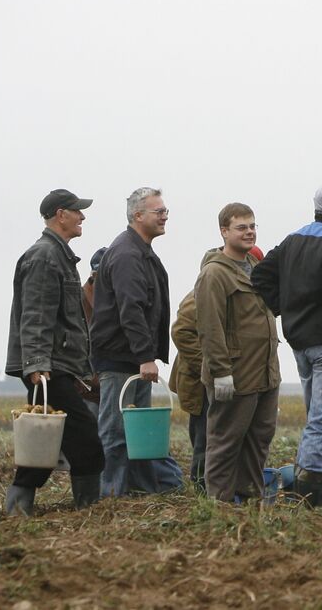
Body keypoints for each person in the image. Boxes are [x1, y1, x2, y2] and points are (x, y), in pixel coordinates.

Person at [252, 181, 322, 507]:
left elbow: (259, 278)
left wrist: (284, 308)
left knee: (316, 417)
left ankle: (303, 484)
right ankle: (308, 495)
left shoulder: (292, 239)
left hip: (299, 340)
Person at [3, 189, 105, 516]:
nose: (83, 217)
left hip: (57, 366)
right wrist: (36, 364)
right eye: (78, 211)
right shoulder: (45, 256)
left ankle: (18, 509)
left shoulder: (57, 255)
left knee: (50, 441)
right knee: (85, 440)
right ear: (61, 215)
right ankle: (90, 511)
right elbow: (36, 313)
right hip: (48, 368)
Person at [89, 187, 184, 497]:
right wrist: (145, 356)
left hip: (132, 357)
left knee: (136, 431)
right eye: (159, 211)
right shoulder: (128, 254)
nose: (165, 215)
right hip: (121, 358)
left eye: (165, 210)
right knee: (116, 430)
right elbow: (131, 310)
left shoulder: (140, 250)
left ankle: (140, 489)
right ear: (137, 215)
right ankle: (110, 494)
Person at [197, 203, 281, 503]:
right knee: (226, 441)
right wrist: (220, 372)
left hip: (265, 372)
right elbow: (210, 326)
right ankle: (218, 505)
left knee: (259, 439)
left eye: (252, 226)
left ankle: (250, 500)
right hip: (236, 374)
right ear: (224, 231)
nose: (249, 232)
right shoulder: (215, 274)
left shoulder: (256, 269)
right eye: (241, 227)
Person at [169, 273, 209, 491]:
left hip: (228, 379)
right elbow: (181, 331)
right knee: (203, 437)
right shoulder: (204, 289)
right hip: (199, 383)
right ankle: (201, 488)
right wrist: (209, 367)